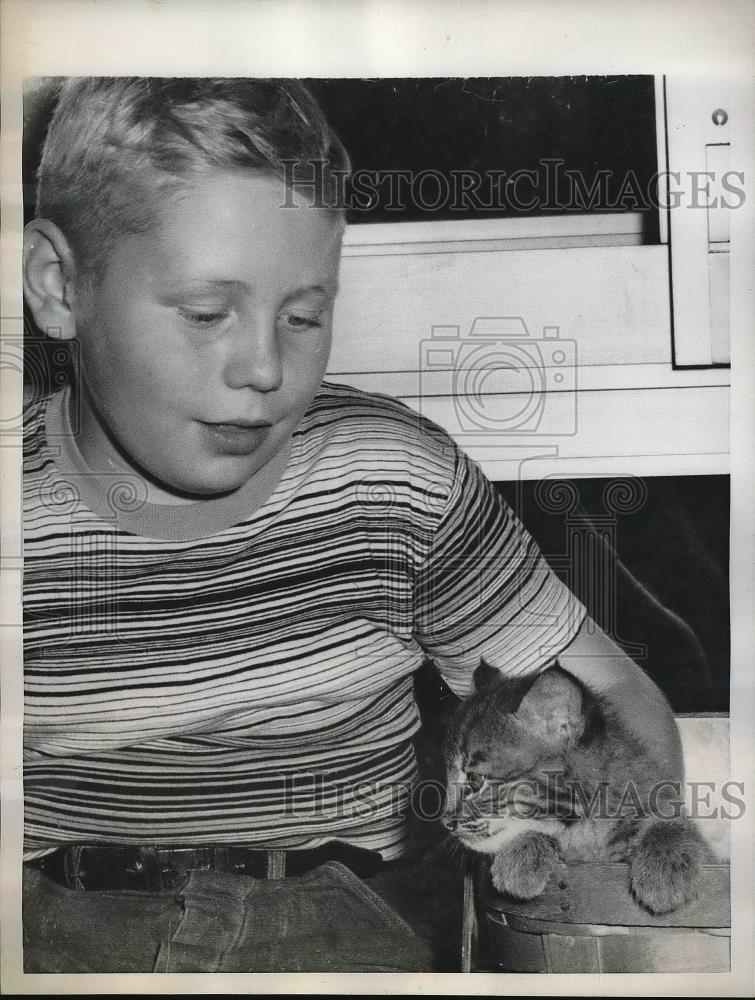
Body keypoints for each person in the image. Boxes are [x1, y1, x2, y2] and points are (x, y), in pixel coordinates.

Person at [21, 77, 683, 974]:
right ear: (60, 287)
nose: (263, 365)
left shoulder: (394, 476)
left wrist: (577, 861)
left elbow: (622, 712)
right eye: (207, 313)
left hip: (344, 925)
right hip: (56, 929)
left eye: (305, 315)